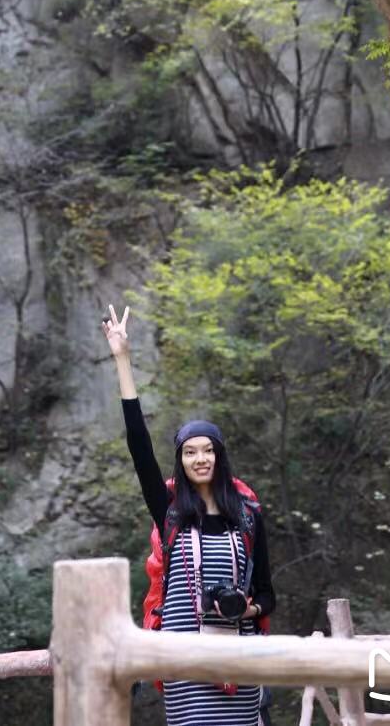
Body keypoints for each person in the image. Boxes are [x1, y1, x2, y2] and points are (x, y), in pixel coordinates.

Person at [102, 303, 276, 726]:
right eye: (190, 452)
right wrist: (123, 360)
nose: (201, 459)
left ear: (220, 456)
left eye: (208, 450)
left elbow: (268, 593)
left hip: (239, 655)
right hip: (184, 656)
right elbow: (139, 447)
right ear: (181, 460)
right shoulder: (172, 512)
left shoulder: (248, 513)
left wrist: (245, 610)